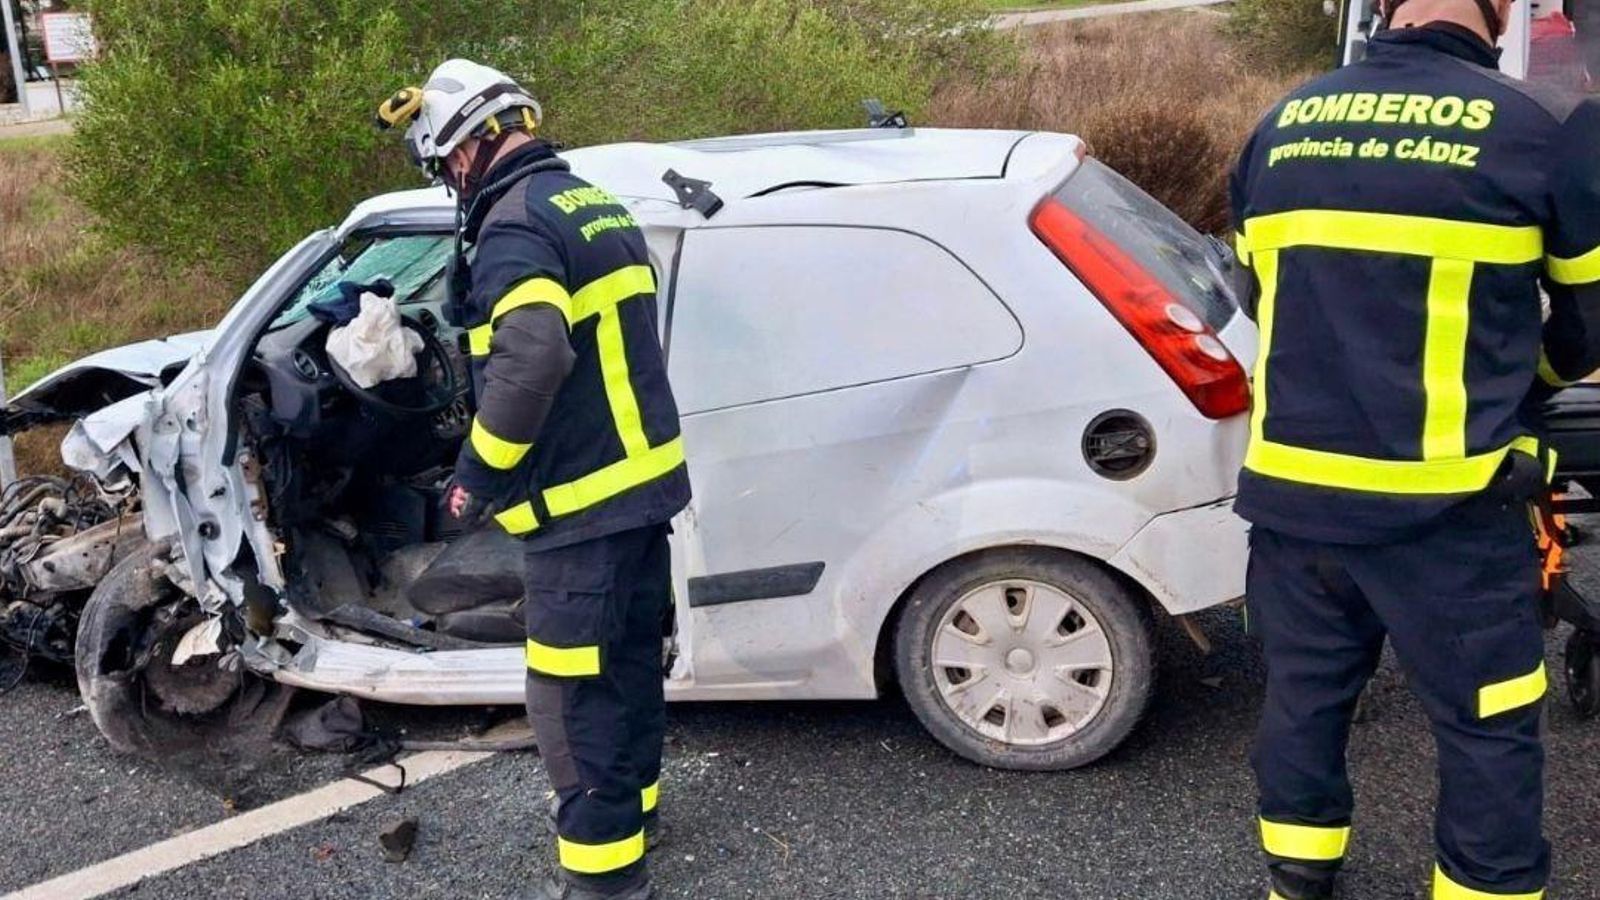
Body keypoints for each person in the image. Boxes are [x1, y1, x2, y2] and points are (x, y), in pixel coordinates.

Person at [1229, 0, 1600, 897]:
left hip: (1294, 504)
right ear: (1500, 7)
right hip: (1448, 512)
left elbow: (1253, 297)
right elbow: (1587, 323)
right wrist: (1526, 386)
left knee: (1304, 707)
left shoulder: (1282, 124)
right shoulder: (1539, 128)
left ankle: (1297, 882)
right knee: (1488, 722)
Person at [377, 60, 691, 900]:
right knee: (626, 667)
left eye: (445, 163)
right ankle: (637, 814)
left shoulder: (513, 227)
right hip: (639, 494)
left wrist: (476, 475)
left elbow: (534, 356)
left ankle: (603, 877)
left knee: (567, 694)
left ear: (472, 143)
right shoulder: (590, 202)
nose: (449, 180)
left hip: (577, 513)